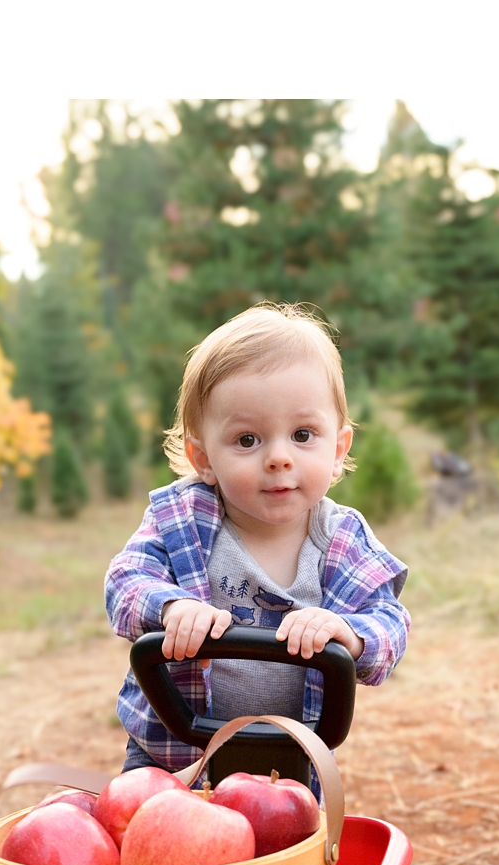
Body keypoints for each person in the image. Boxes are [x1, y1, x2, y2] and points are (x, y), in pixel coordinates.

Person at [104, 303, 412, 774]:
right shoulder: (182, 519)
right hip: (171, 750)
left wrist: (348, 634)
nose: (278, 458)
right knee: (152, 842)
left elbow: (389, 622)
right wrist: (170, 607)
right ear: (202, 457)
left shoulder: (342, 540)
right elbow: (125, 581)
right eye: (248, 440)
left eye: (303, 434)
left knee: (288, 847)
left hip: (285, 759)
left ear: (338, 449)